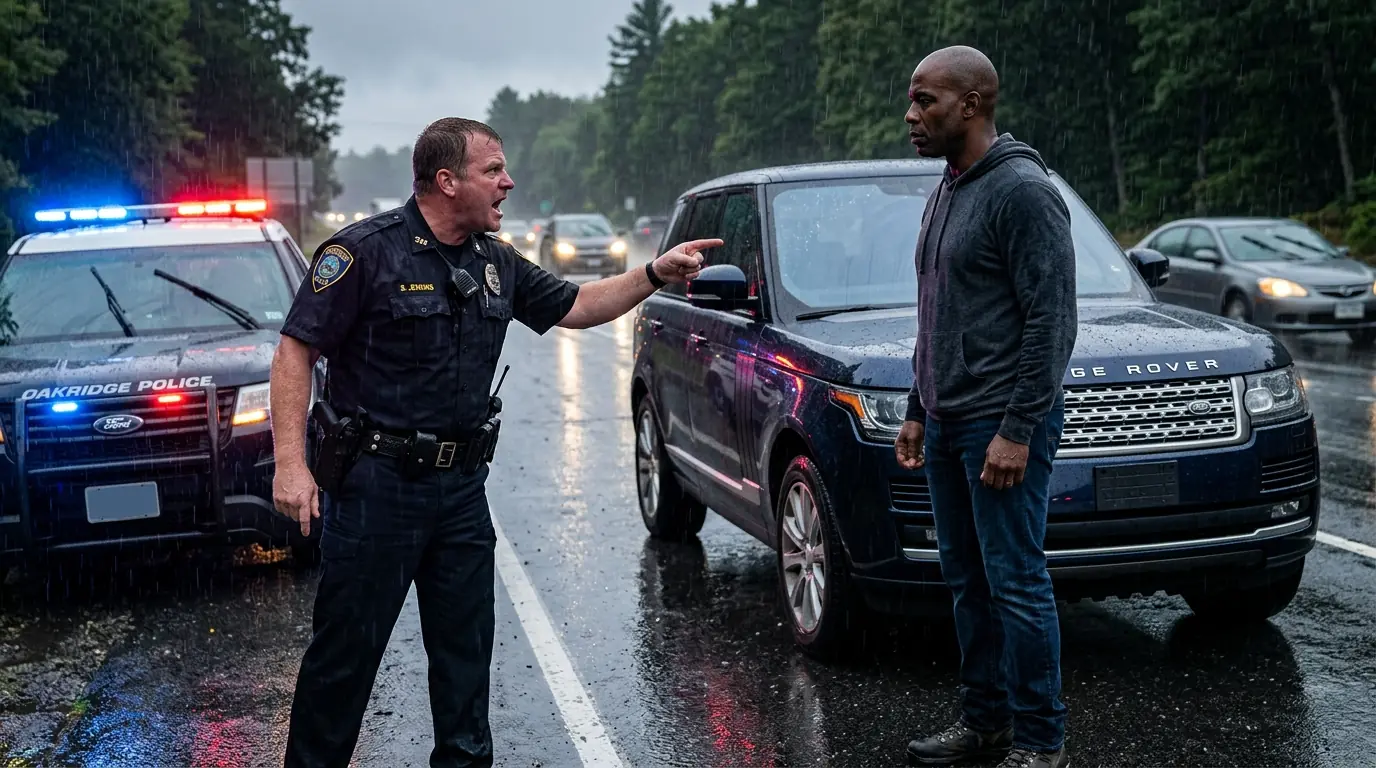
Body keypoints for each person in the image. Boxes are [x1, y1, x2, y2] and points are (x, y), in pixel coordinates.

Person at [269, 117, 720, 768]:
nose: (508, 183)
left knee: (464, 668)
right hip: (376, 490)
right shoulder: (365, 253)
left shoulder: (495, 262)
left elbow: (578, 305)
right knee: (343, 664)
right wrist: (291, 464)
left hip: (459, 495)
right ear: (447, 182)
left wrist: (653, 272)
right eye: (493, 171)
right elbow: (295, 351)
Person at [894, 47, 1077, 768]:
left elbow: (1051, 321)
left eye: (925, 101)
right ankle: (986, 721)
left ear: (972, 104)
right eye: (911, 101)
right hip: (945, 420)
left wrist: (1017, 430)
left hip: (998, 426)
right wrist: (917, 404)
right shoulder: (949, 185)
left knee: (1016, 582)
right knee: (967, 580)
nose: (911, 116)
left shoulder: (1023, 193)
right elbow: (939, 308)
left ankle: (1040, 740)